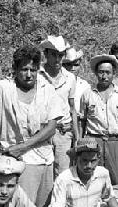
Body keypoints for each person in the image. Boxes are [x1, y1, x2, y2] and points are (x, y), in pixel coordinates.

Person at [0, 45, 65, 207]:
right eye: (24, 70)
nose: (28, 75)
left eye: (33, 70)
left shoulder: (46, 89)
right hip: (15, 160)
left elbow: (51, 126)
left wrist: (24, 146)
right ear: (15, 70)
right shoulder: (3, 88)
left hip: (43, 157)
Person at [80, 54, 118, 185]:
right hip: (93, 141)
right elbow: (82, 120)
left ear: (114, 73)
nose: (104, 76)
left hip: (115, 141)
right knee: (92, 179)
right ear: (96, 73)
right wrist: (80, 140)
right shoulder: (88, 94)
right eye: (101, 72)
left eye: (108, 72)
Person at [39, 35, 78, 176]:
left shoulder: (70, 78)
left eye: (60, 55)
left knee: (63, 174)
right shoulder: (37, 75)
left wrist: (76, 136)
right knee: (44, 172)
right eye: (54, 55)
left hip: (63, 132)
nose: (57, 59)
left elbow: (72, 108)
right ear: (46, 54)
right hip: (42, 132)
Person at [62, 47, 91, 135]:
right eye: (69, 65)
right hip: (63, 127)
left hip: (81, 125)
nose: (72, 68)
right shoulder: (57, 85)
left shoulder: (85, 86)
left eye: (76, 65)